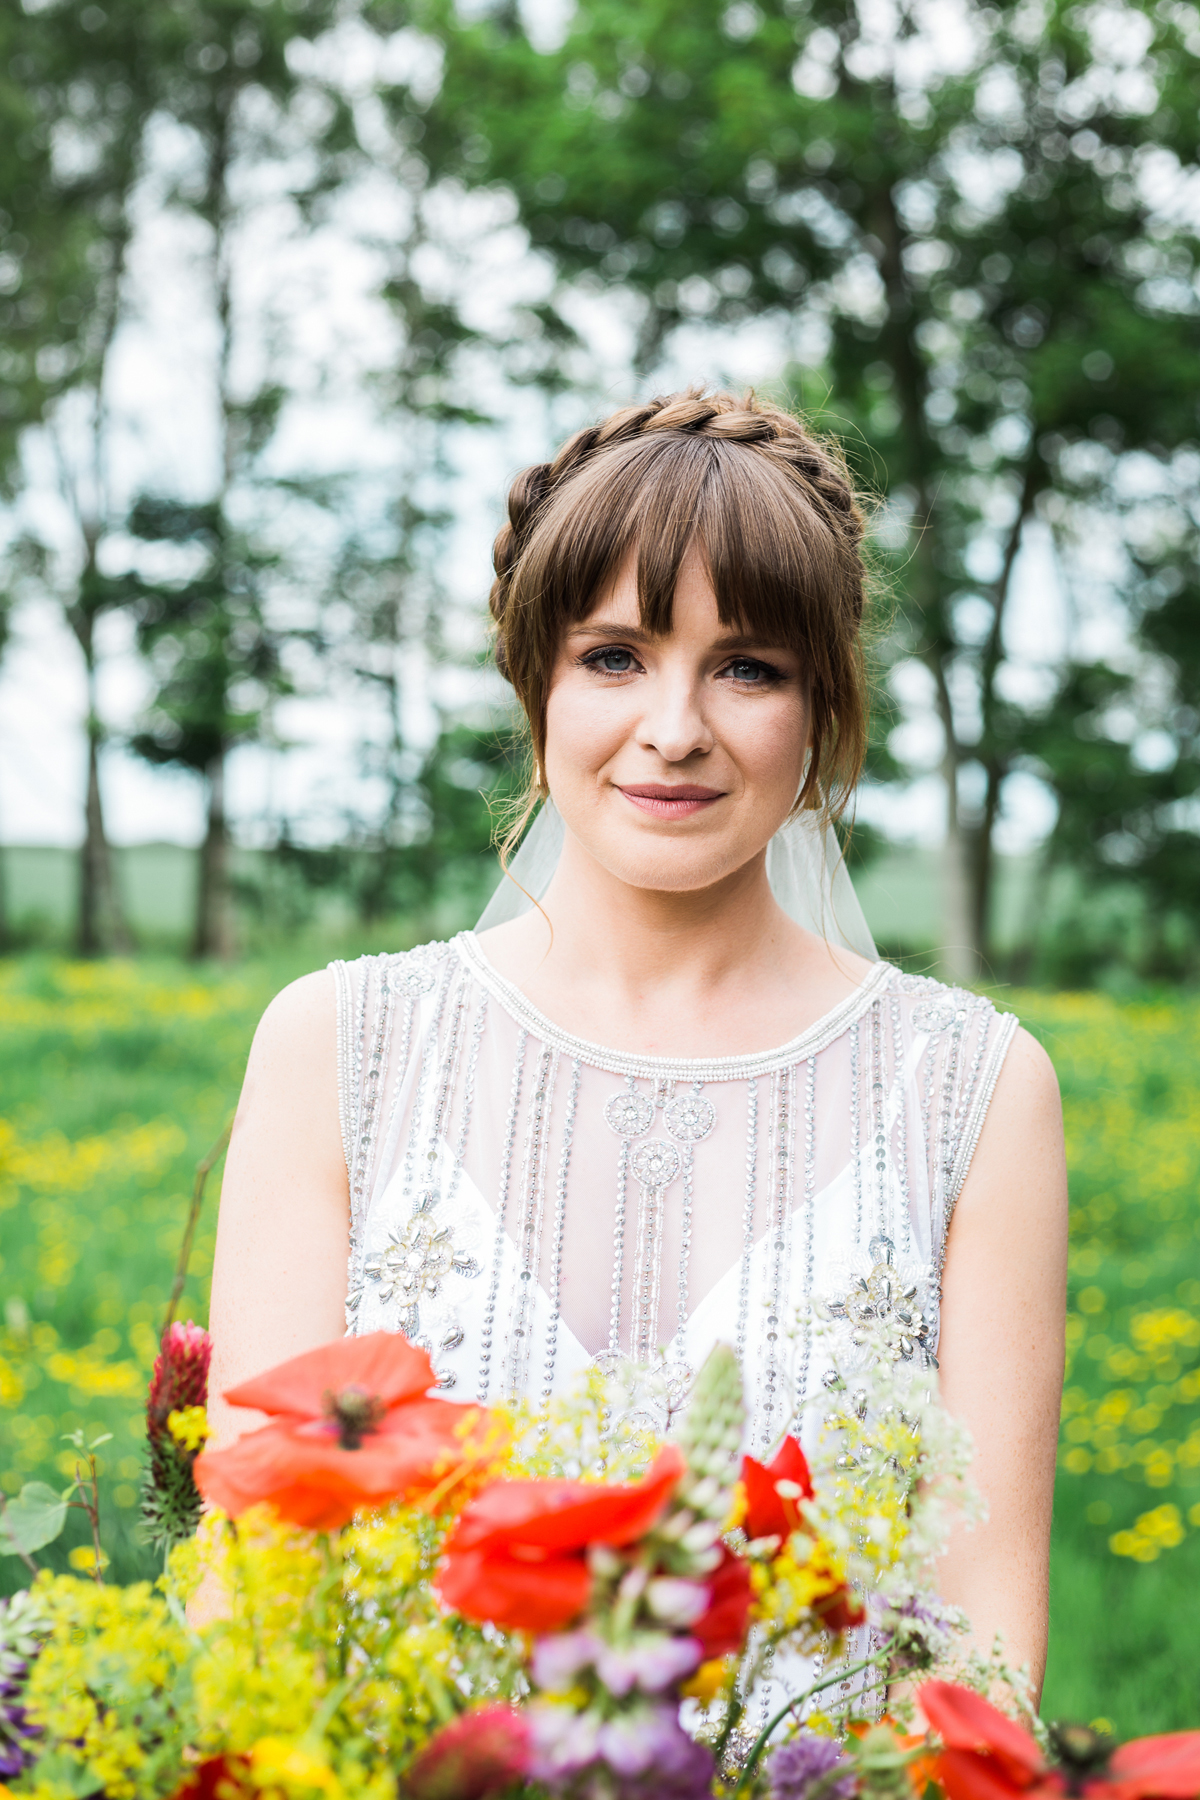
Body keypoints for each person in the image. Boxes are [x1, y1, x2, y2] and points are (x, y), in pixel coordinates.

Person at [205, 390, 1067, 1698]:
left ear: (824, 709)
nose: (675, 728)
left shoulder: (975, 1089)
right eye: (615, 656)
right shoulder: (339, 1046)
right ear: (534, 678)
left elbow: (985, 1644)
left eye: (749, 666)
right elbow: (247, 1591)